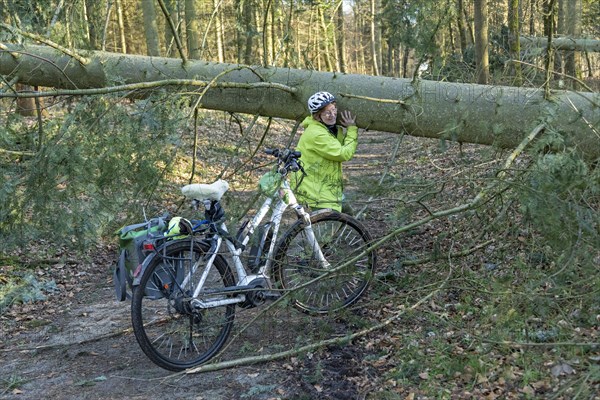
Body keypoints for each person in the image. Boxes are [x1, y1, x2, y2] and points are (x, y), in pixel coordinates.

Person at [292, 91, 358, 214]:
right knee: (328, 228)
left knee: (348, 213)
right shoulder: (317, 134)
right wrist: (352, 129)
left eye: (334, 110)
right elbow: (343, 154)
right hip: (316, 190)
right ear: (317, 116)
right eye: (327, 113)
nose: (332, 115)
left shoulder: (328, 129)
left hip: (327, 187)